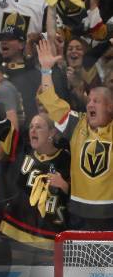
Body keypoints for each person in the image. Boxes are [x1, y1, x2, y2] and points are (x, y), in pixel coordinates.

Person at [0, 78, 70, 255]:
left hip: (51, 238)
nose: (33, 130)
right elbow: (4, 129)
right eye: (31, 126)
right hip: (16, 232)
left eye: (38, 127)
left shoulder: (68, 154)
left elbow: (81, 195)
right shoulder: (23, 144)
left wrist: (64, 186)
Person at [38, 38, 113, 230]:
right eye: (89, 100)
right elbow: (50, 101)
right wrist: (46, 70)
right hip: (78, 214)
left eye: (97, 101)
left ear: (110, 107)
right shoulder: (77, 124)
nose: (90, 104)